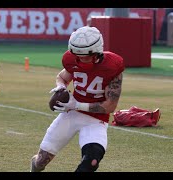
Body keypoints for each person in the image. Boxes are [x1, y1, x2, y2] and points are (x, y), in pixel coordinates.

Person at [30, 26, 124, 172]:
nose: (79, 60)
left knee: (92, 161)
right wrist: (61, 86)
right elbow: (61, 77)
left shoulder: (112, 66)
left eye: (84, 56)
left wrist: (77, 105)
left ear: (96, 53)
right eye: (76, 55)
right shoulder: (71, 59)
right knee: (40, 163)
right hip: (70, 115)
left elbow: (110, 106)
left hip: (95, 119)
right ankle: (34, 166)